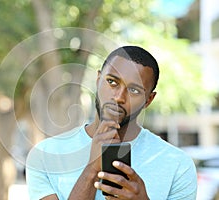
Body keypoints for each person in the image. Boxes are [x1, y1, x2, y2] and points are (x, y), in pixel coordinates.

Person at [26, 46, 197, 200]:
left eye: (134, 90)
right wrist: (92, 169)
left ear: (148, 100)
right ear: (98, 79)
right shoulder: (44, 156)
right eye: (112, 82)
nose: (118, 97)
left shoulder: (178, 165)